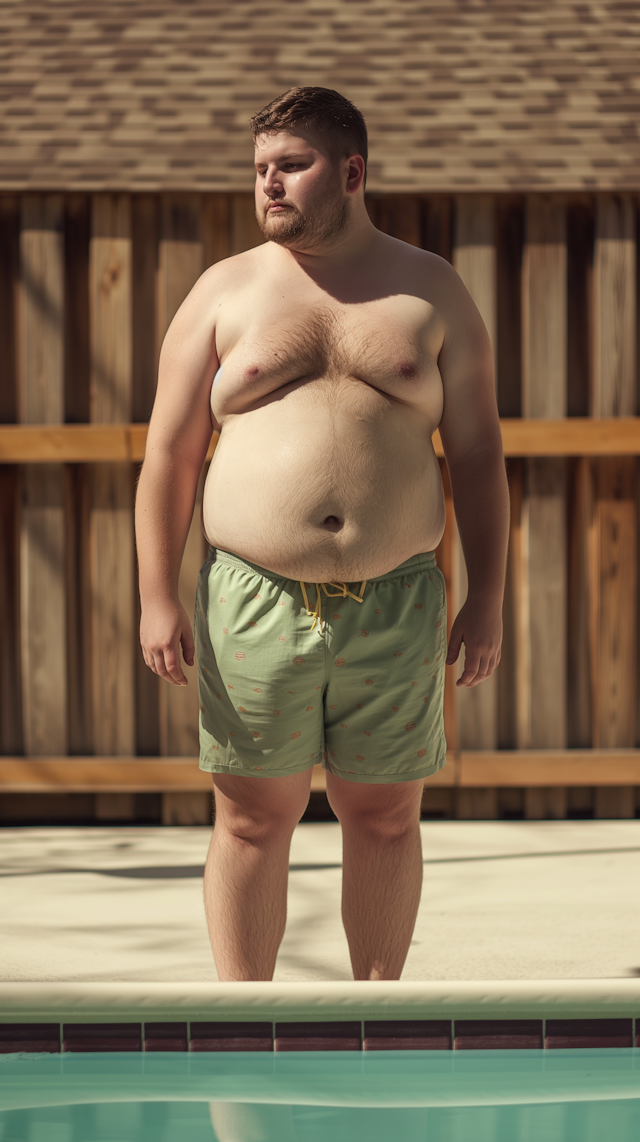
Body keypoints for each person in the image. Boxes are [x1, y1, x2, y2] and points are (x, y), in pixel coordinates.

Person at [135, 86, 509, 983]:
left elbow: (479, 454)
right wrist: (155, 595)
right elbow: (170, 457)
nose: (270, 185)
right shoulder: (222, 291)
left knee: (383, 815)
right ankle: (242, 1034)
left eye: (291, 166)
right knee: (252, 819)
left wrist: (488, 595)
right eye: (261, 169)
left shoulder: (432, 288)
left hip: (398, 596)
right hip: (253, 596)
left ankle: (375, 1033)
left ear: (351, 171)